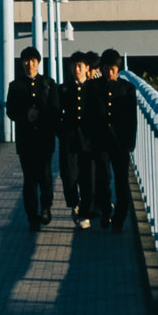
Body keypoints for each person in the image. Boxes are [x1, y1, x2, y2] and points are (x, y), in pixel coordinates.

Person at [5, 45, 59, 227]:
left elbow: (55, 108)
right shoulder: (15, 86)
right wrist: (25, 116)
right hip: (25, 138)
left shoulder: (48, 83)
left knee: (44, 175)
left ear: (38, 63)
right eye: (27, 61)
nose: (30, 64)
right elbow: (10, 110)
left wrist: (40, 115)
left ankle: (45, 207)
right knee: (29, 179)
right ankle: (31, 216)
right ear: (22, 63)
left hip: (44, 138)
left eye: (34, 61)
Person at [59, 49, 102, 228]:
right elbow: (55, 112)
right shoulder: (63, 89)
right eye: (74, 66)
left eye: (80, 66)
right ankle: (73, 203)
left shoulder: (95, 89)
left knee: (87, 179)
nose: (76, 69)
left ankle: (85, 213)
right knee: (69, 176)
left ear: (86, 69)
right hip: (69, 140)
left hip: (88, 141)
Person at [96, 46, 135, 229]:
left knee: (121, 181)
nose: (109, 72)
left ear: (118, 69)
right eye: (106, 68)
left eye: (112, 69)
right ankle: (105, 211)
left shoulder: (127, 88)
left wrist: (130, 143)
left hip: (120, 142)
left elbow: (132, 118)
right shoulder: (94, 87)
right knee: (102, 179)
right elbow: (89, 114)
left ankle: (119, 217)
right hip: (101, 140)